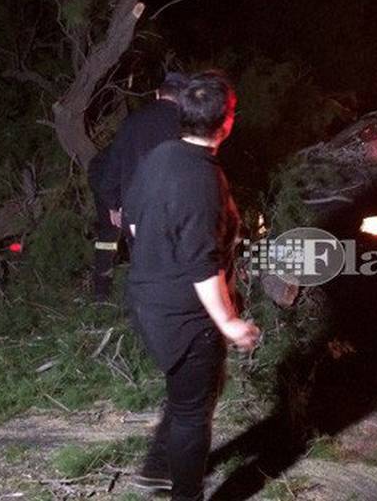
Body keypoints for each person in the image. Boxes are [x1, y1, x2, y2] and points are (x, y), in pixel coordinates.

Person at [124, 71, 260, 500]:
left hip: (147, 299)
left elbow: (130, 219)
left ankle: (157, 469)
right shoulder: (201, 180)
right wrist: (230, 323)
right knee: (192, 415)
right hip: (186, 317)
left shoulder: (161, 156)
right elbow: (204, 267)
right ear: (226, 123)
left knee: (189, 393)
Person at [99, 72, 188, 229]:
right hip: (174, 218)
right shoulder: (188, 127)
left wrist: (113, 205)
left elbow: (113, 167)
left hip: (136, 216)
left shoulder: (132, 122)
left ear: (157, 94)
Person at [87, 146, 118, 301]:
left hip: (108, 178)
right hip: (104, 179)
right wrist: (114, 206)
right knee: (109, 234)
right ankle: (102, 288)